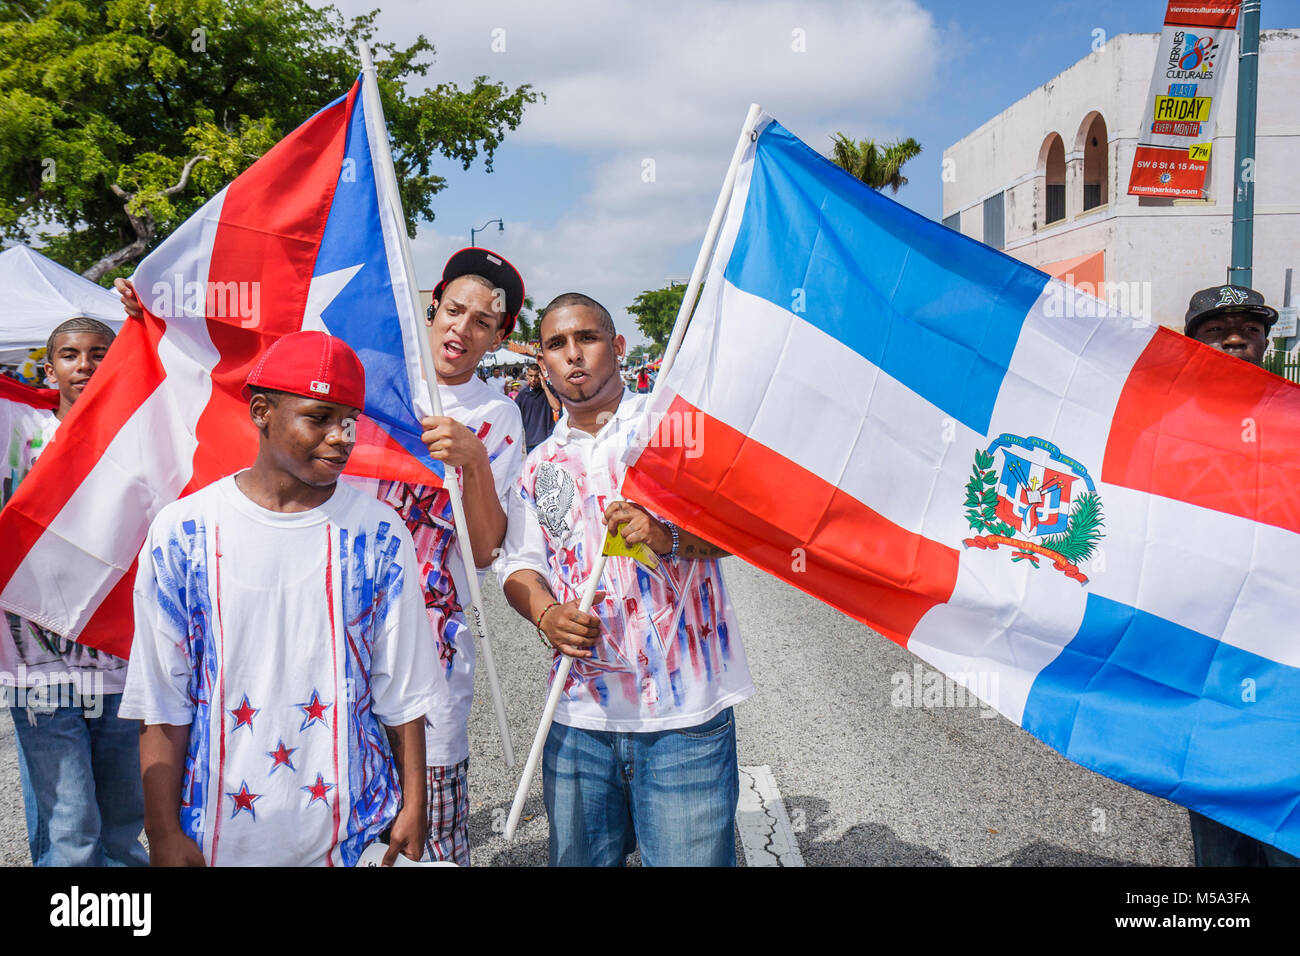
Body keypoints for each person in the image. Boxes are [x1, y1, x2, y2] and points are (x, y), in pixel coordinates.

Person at [120, 331, 436, 866]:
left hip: (356, 830)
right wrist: (164, 832)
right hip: (217, 835)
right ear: (262, 411)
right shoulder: (185, 532)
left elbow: (401, 691)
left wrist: (415, 804)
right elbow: (161, 698)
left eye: (350, 421)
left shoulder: (379, 535)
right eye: (319, 417)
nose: (341, 437)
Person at [497, 293, 754, 867]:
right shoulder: (538, 466)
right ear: (543, 364)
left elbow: (738, 533)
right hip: (577, 718)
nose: (573, 355)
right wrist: (545, 613)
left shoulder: (673, 433)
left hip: (683, 719)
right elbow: (517, 563)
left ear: (617, 347)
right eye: (557, 345)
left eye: (586, 338)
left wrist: (667, 537)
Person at [354, 248, 526, 865]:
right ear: (433, 305)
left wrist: (475, 461)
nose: (463, 328)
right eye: (455, 310)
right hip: (337, 642)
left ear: (500, 337)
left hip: (431, 653)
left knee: (428, 835)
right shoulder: (369, 379)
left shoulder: (497, 415)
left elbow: (483, 551)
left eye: (483, 322)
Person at [1, 316, 147, 867]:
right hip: (35, 668)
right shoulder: (20, 429)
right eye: (69, 354)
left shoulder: (144, 435)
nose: (84, 365)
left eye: (99, 353)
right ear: (49, 364)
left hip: (122, 666)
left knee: (120, 832)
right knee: (70, 833)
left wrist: (150, 316)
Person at [1181, 284, 1297, 866]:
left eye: (1250, 329)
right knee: (1219, 820)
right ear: (1191, 342)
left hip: (1284, 655)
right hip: (1208, 656)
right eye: (1216, 328)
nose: (1235, 338)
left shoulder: (1294, 421)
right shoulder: (1163, 426)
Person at [1183, 284, 1278, 367]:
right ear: (1190, 347)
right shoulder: (1171, 387)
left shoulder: (1283, 388)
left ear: (1265, 345)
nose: (1235, 340)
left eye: (1251, 329)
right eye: (1215, 329)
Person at [514, 363, 561, 453]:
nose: (533, 379)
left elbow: (556, 407)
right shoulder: (522, 396)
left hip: (548, 440)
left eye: (536, 376)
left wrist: (545, 388)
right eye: (531, 376)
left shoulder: (549, 390)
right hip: (531, 442)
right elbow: (515, 420)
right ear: (527, 375)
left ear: (540, 376)